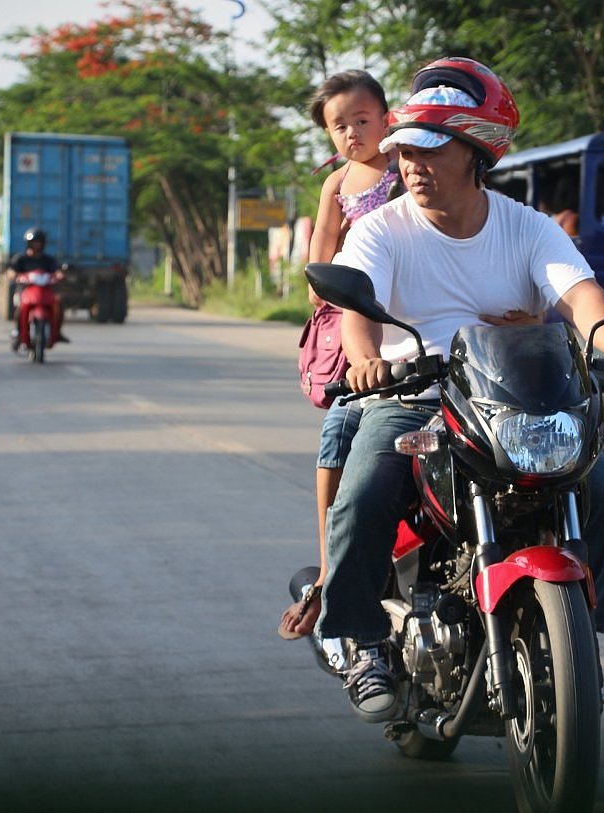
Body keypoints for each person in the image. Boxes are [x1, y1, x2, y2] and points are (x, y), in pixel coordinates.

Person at [315, 57, 604, 723]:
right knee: (364, 488)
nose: (411, 164)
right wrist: (363, 360)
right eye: (404, 150)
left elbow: (580, 294)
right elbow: (356, 309)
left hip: (516, 401)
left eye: (430, 150)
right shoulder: (383, 227)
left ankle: (580, 636)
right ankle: (358, 636)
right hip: (416, 394)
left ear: (475, 154)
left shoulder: (526, 227)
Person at [278, 70, 399, 640]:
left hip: (422, 322)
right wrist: (348, 277)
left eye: (362, 120)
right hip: (362, 329)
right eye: (338, 126)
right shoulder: (336, 186)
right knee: (337, 438)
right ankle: (330, 563)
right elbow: (315, 273)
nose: (352, 134)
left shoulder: (412, 168)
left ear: (386, 116)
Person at [7, 228, 68, 349]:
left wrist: (59, 275)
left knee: (59, 304)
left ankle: (57, 332)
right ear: (28, 243)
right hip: (25, 291)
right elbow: (11, 271)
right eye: (34, 242)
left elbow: (57, 271)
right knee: (19, 309)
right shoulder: (20, 258)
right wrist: (14, 275)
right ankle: (18, 333)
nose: (36, 244)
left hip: (45, 291)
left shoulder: (48, 260)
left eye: (39, 242)